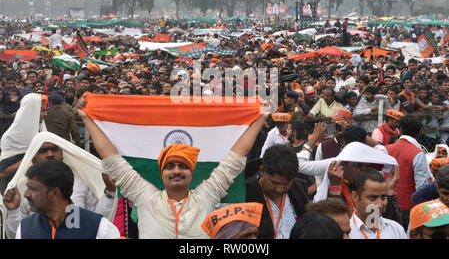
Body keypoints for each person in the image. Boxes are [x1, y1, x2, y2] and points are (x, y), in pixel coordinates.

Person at [76, 96, 268, 238]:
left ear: (192, 173)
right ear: (162, 173)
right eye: (170, 166)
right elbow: (113, 161)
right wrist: (87, 120)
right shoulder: (145, 197)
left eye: (182, 166)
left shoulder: (206, 196)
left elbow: (234, 161)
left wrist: (259, 119)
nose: (176, 171)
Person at [2, 131, 117, 238]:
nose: (50, 154)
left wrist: (109, 192)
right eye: (43, 151)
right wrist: (13, 211)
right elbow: (20, 233)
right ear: (33, 159)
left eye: (54, 149)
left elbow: (94, 222)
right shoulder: (22, 190)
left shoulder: (80, 181)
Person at [14, 160, 119, 239]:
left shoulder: (99, 228)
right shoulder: (24, 228)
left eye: (33, 189)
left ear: (55, 193)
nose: (26, 194)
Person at [245, 144, 309, 239]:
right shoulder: (246, 193)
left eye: (286, 184)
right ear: (262, 171)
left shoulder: (299, 188)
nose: (280, 189)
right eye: (275, 183)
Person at [386, 114, 432, 230]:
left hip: (387, 203)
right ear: (419, 130)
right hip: (408, 207)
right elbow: (421, 187)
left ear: (400, 129)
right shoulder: (417, 153)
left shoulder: (387, 149)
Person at [349, 167, 408, 239]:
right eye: (373, 198)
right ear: (355, 197)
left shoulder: (397, 230)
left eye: (383, 198)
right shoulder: (345, 233)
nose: (379, 205)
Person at [0, 93, 48, 180]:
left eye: (45, 110)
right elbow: (2, 172)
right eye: (42, 111)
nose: (46, 114)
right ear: (31, 112)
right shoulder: (12, 138)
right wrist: (32, 159)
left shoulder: (41, 129)